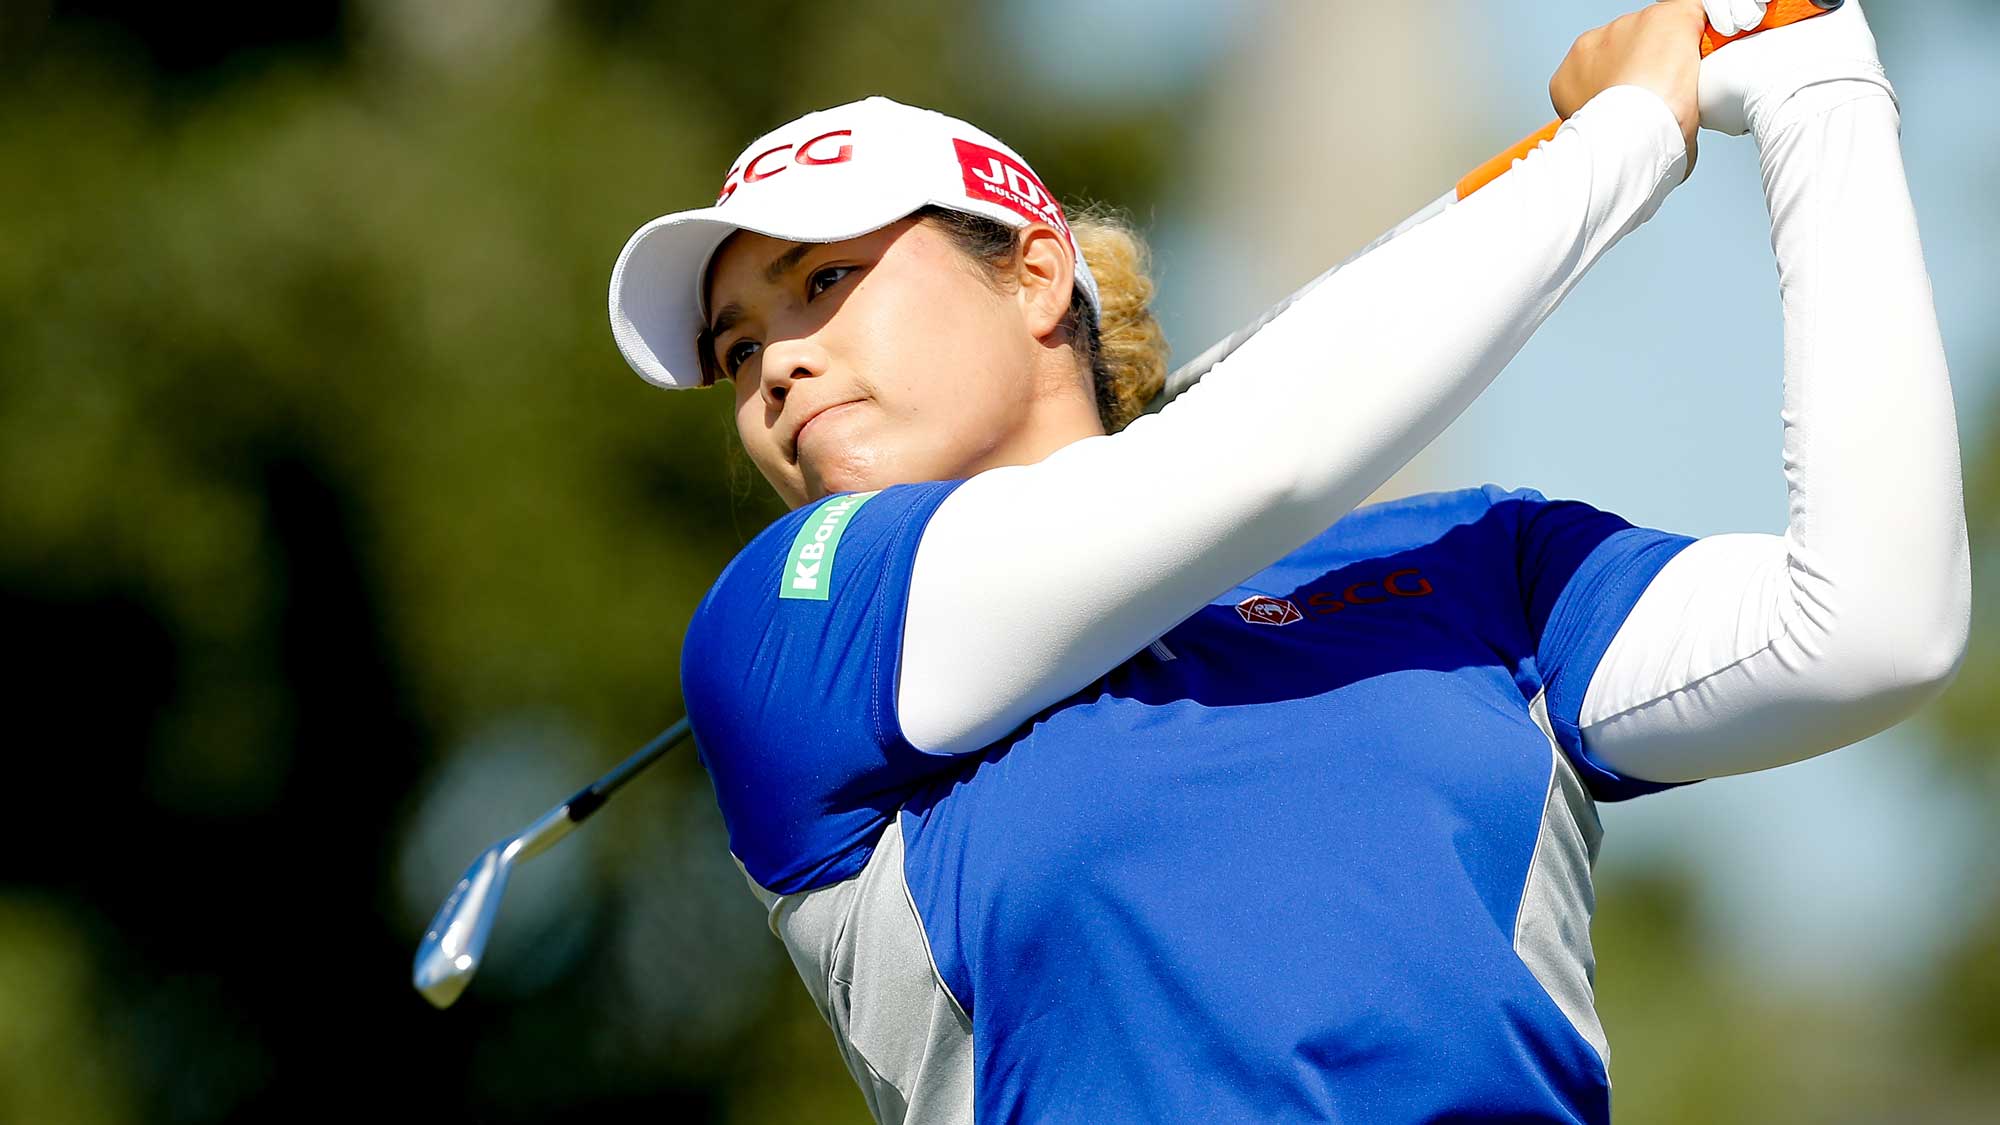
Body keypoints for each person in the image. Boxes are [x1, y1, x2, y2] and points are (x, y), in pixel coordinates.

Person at [604, 0, 1967, 1120]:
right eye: (737, 348)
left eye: (824, 281)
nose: (777, 362)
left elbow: (1869, 627)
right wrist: (1620, 143)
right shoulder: (791, 629)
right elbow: (1251, 464)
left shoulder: (1468, 568)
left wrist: (1820, 94)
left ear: (1031, 274)